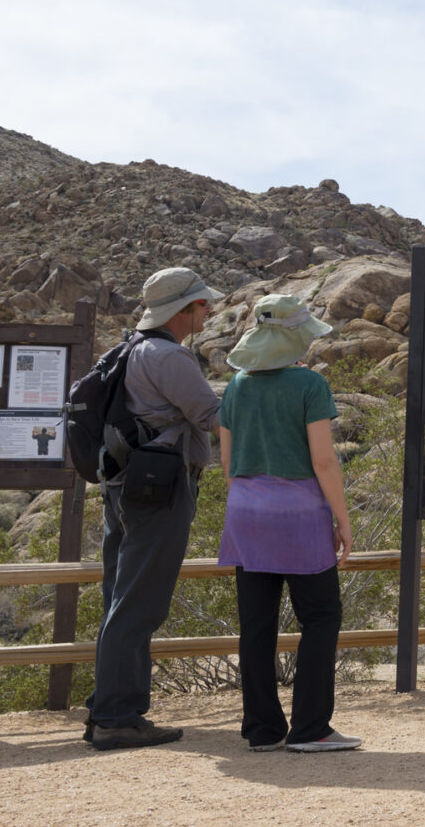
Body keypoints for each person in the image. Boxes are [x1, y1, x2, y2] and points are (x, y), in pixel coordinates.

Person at [85, 267, 223, 751]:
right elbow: (212, 416)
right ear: (182, 310)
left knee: (120, 597)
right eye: (202, 304)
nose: (209, 310)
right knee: (140, 602)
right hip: (160, 489)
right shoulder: (170, 357)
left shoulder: (128, 350)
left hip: (124, 486)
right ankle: (117, 718)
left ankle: (108, 707)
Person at [216, 294, 360, 752]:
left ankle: (262, 730)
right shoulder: (309, 385)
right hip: (298, 516)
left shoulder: (236, 386)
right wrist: (342, 519)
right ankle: (311, 728)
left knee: (256, 624)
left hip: (246, 511)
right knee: (320, 616)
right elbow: (324, 460)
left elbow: (226, 460)